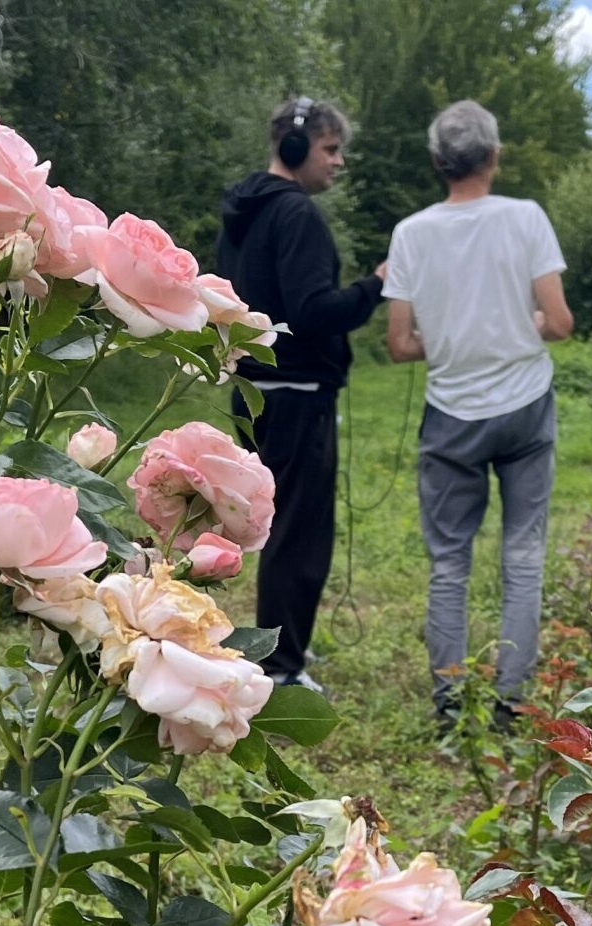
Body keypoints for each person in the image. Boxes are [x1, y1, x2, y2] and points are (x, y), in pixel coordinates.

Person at [380, 100, 574, 722]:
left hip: (451, 415)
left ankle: (448, 705)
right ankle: (510, 703)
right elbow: (561, 323)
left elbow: (399, 344)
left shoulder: (411, 233)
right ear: (495, 156)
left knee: (449, 564)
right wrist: (517, 327)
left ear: (439, 161)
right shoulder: (526, 218)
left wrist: (458, 337)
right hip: (525, 406)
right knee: (522, 556)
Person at [214, 97, 386, 689]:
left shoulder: (246, 210)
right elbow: (314, 312)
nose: (340, 163)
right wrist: (377, 286)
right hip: (297, 394)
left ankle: (280, 646)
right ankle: (282, 668)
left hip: (254, 390)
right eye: (331, 149)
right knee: (299, 533)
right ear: (295, 149)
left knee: (277, 525)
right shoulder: (297, 216)